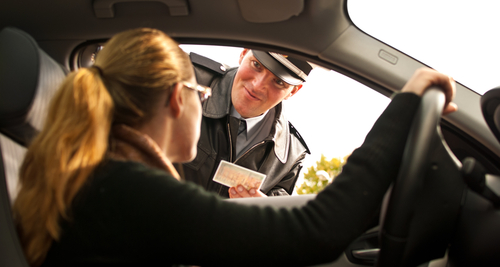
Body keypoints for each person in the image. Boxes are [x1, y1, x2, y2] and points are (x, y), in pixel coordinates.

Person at [12, 28, 457, 267]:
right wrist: (406, 103)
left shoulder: (104, 179)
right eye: (199, 95)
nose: (209, 97)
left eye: (278, 81)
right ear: (175, 98)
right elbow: (316, 233)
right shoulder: (129, 190)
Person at [180, 49, 313, 198]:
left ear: (293, 92)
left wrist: (262, 215)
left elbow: (276, 217)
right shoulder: (185, 78)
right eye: (256, 65)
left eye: (278, 81)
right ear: (243, 53)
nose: (257, 86)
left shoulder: (291, 157)